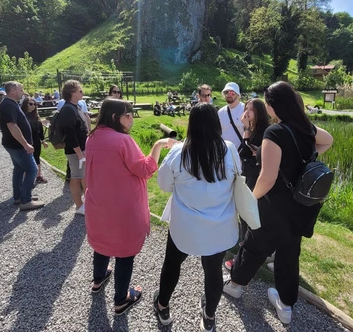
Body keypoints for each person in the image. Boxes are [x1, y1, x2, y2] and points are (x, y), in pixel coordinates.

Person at [223, 82, 333, 325]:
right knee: (289, 254)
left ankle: (236, 285)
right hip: (300, 208)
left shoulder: (275, 133)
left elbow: (267, 178)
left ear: (272, 106)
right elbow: (328, 140)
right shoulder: (305, 129)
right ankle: (285, 304)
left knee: (253, 247)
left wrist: (250, 200)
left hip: (274, 207)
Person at [85, 98, 176, 315]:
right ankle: (121, 300)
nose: (131, 119)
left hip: (98, 205)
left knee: (101, 245)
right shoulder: (122, 141)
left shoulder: (92, 137)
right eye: (129, 115)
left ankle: (98, 280)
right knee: (124, 255)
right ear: (117, 117)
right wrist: (158, 145)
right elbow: (145, 169)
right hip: (122, 210)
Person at [154, 103, 239, 331]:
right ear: (216, 123)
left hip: (185, 225)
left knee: (172, 264)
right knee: (213, 271)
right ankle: (209, 315)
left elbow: (163, 185)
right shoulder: (229, 148)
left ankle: (162, 306)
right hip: (219, 226)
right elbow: (237, 179)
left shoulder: (179, 152)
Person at [224, 98, 271, 271]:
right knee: (246, 215)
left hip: (256, 177)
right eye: (246, 108)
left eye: (251, 109)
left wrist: (256, 149)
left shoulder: (264, 130)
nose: (247, 112)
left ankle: (244, 257)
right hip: (248, 175)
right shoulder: (253, 129)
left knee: (248, 214)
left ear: (259, 111)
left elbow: (244, 152)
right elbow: (243, 152)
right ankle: (247, 251)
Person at [0, 81, 45, 211]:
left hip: (13, 144)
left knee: (18, 169)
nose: (22, 91)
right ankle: (25, 201)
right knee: (32, 170)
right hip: (18, 145)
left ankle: (19, 196)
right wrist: (26, 144)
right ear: (13, 91)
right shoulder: (8, 105)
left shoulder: (10, 103)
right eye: (20, 89)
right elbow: (12, 126)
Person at [57, 80, 90, 215]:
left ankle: (86, 202)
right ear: (72, 93)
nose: (83, 93)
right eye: (80, 91)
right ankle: (79, 206)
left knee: (83, 176)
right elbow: (70, 134)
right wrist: (80, 154)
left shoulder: (76, 106)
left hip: (81, 150)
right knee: (76, 177)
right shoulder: (68, 109)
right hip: (75, 151)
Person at [21, 98, 48, 184]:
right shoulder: (22, 116)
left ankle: (38, 176)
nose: (33, 106)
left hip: (36, 141)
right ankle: (27, 180)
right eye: (31, 104)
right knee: (27, 160)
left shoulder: (36, 116)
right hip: (27, 141)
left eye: (34, 104)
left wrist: (43, 141)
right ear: (25, 104)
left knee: (37, 158)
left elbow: (40, 129)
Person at [218, 82, 245, 149]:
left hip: (242, 151)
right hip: (226, 151)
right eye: (226, 92)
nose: (229, 95)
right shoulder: (220, 112)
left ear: (238, 95)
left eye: (232, 92)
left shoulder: (245, 109)